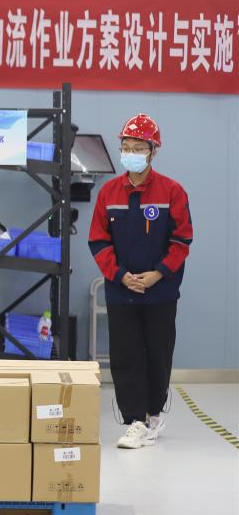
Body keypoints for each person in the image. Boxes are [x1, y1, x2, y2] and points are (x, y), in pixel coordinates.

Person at [88, 114, 193, 450]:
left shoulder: (172, 191)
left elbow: (181, 241)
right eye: (126, 147)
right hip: (122, 291)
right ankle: (135, 420)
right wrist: (121, 275)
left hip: (160, 291)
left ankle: (154, 413)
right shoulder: (108, 193)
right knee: (125, 356)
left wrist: (158, 273)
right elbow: (98, 241)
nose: (130, 153)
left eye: (138, 148)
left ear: (152, 151)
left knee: (158, 354)